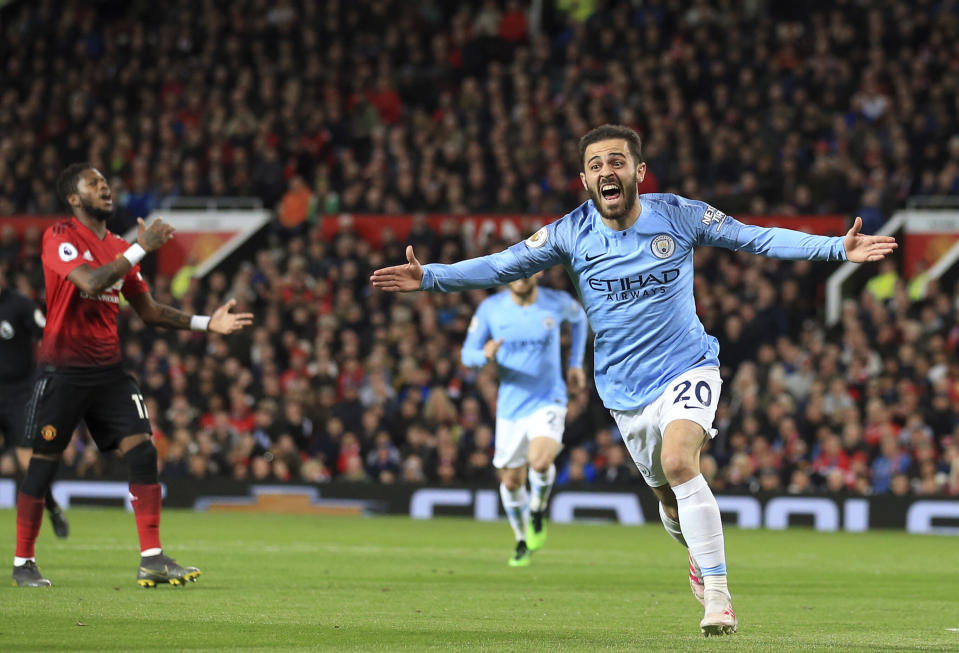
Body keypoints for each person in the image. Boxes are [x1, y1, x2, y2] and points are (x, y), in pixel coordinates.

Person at [371, 124, 897, 636]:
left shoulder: (680, 215)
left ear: (639, 171)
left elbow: (754, 238)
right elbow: (504, 265)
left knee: (678, 460)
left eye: (616, 161)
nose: (607, 170)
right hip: (623, 391)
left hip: (688, 366)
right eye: (596, 164)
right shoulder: (569, 233)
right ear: (584, 180)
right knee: (668, 499)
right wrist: (432, 277)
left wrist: (834, 249)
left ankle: (718, 595)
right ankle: (695, 550)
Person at [12, 163, 253, 588]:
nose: (105, 188)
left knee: (142, 450)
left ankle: (152, 558)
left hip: (108, 372)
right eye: (94, 184)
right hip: (62, 371)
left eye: (106, 182)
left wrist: (205, 324)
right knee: (44, 465)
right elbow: (88, 282)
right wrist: (140, 250)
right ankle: (23, 561)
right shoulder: (61, 237)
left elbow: (150, 311)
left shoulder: (121, 246)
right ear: (73, 198)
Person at [461, 272, 587, 566]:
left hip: (549, 398)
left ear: (539, 272)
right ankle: (521, 540)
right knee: (511, 481)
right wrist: (484, 355)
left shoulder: (556, 302)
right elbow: (467, 354)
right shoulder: (491, 308)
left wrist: (575, 363)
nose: (520, 275)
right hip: (511, 408)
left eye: (527, 268)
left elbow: (580, 318)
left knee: (541, 461)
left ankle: (537, 510)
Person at [0, 265, 69, 538]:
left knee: (28, 462)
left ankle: (51, 507)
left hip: (19, 394)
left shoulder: (20, 305)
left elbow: (48, 334)